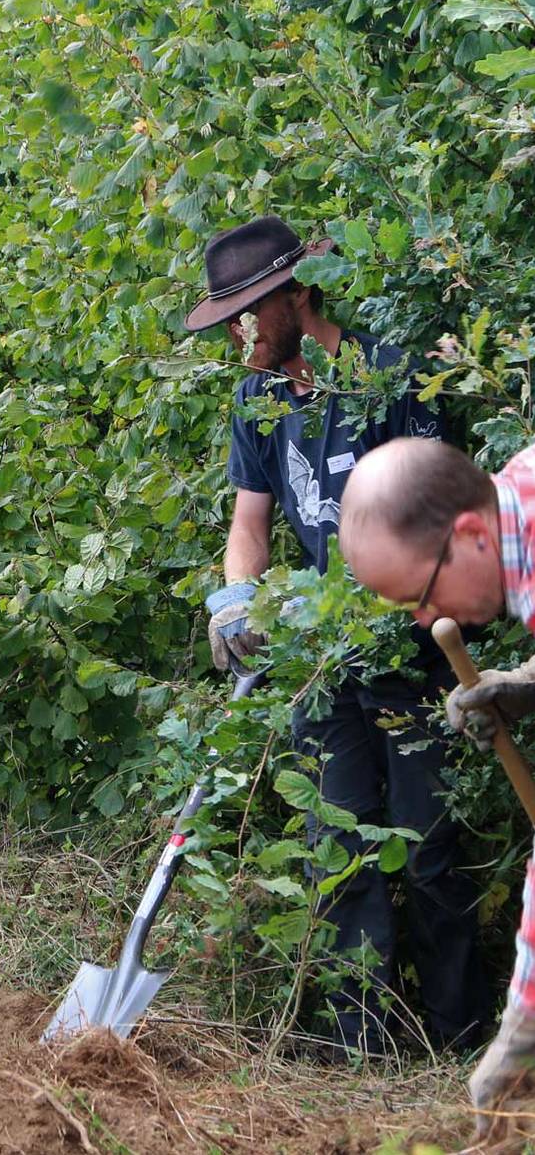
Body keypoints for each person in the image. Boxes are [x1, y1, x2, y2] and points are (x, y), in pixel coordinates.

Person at [188, 215, 486, 1055]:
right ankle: (363, 1043)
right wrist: (237, 600)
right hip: (319, 666)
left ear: (296, 295)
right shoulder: (256, 400)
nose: (237, 331)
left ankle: (457, 1038)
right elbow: (250, 524)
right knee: (339, 847)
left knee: (429, 850)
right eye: (227, 316)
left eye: (247, 310)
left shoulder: (387, 379)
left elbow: (438, 520)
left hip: (413, 655)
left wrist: (399, 605)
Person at [339, 436, 535, 1131]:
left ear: (471, 533)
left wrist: (519, 1034)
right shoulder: (518, 492)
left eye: (419, 598)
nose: (425, 622)